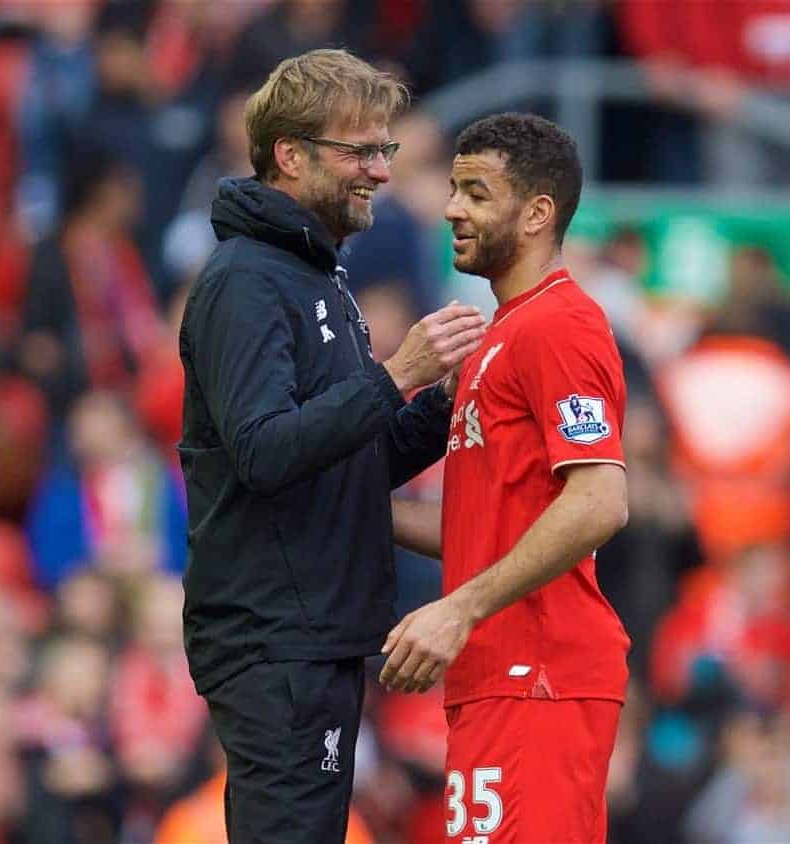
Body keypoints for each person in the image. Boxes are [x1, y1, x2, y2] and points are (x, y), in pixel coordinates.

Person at [177, 49, 485, 842]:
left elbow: (354, 460)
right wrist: (397, 375)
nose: (381, 170)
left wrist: (446, 399)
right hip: (277, 637)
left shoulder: (316, 275)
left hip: (315, 633)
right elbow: (264, 451)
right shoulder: (247, 280)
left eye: (386, 149)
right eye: (361, 151)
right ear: (291, 154)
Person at [379, 113, 632, 842]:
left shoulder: (560, 326)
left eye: (477, 193)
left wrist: (458, 609)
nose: (453, 208)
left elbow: (600, 499)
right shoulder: (500, 337)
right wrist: (360, 507)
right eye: (454, 190)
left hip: (541, 674)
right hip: (498, 678)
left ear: (537, 214)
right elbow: (481, 525)